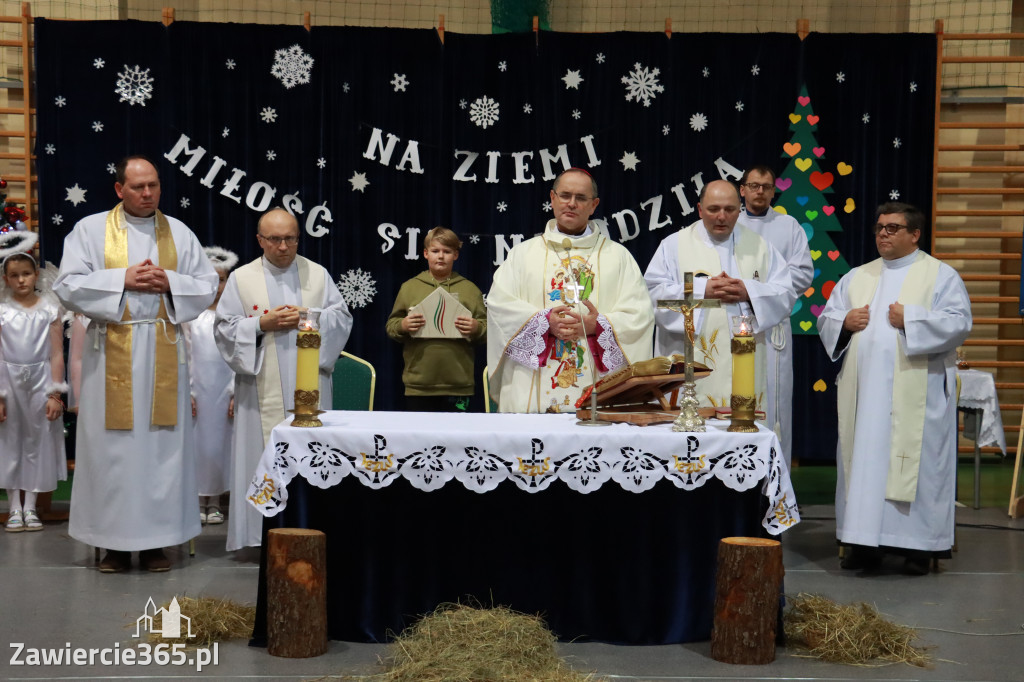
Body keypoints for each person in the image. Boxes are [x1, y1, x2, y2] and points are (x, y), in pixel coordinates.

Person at [53, 155, 218, 572]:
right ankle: (112, 543)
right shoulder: (90, 230)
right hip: (110, 351)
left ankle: (158, 542)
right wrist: (121, 279)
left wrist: (170, 282)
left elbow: (206, 285)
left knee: (163, 449)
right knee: (113, 450)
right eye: (139, 187)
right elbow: (67, 286)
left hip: (163, 349)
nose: (148, 194)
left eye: (154, 186)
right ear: (119, 189)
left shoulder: (178, 232)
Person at [818, 201, 971, 575]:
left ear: (915, 234)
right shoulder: (857, 277)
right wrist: (844, 322)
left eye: (893, 227)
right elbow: (828, 318)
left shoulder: (940, 275)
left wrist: (911, 318)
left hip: (918, 396)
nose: (883, 233)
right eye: (879, 227)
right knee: (864, 466)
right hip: (865, 397)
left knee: (916, 469)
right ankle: (860, 542)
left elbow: (959, 323)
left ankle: (917, 549)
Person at [214, 207, 352, 552]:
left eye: (290, 238)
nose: (283, 246)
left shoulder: (316, 275)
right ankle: (259, 537)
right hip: (260, 393)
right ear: (260, 240)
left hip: (311, 391)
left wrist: (308, 316)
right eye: (274, 239)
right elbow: (225, 328)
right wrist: (262, 325)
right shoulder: (242, 279)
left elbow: (341, 318)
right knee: (261, 456)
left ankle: (309, 531)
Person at [487, 168, 653, 413]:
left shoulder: (618, 257)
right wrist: (543, 322)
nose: (571, 204)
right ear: (552, 199)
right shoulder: (522, 254)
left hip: (600, 394)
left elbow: (640, 315)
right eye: (565, 196)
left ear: (594, 205)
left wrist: (599, 325)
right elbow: (499, 306)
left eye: (581, 198)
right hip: (532, 393)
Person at [645, 179, 795, 414]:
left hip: (743, 366)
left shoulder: (760, 247)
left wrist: (748, 291)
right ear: (700, 209)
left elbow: (785, 293)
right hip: (689, 369)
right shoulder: (674, 245)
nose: (721, 217)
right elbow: (653, 295)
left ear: (740, 210)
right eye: (713, 209)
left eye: (729, 209)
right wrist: (703, 289)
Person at [740, 165, 813, 468]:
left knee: (774, 405)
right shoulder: (727, 223)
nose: (760, 192)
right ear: (742, 189)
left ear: (773, 191)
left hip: (772, 329)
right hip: (731, 321)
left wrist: (757, 291)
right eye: (754, 186)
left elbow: (803, 274)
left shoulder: (788, 226)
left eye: (766, 187)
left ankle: (775, 484)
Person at [0, 249, 67, 533]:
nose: (21, 280)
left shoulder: (49, 310)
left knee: (37, 440)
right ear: (6, 279)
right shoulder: (2, 311)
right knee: (10, 440)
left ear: (36, 275)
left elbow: (56, 354)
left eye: (26, 274)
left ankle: (31, 506)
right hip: (8, 381)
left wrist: (55, 394)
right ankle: (13, 506)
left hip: (40, 380)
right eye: (14, 276)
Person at [386, 227, 486, 412]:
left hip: (459, 386)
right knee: (419, 439)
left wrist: (476, 328)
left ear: (455, 255)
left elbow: (488, 330)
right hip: (418, 386)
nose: (441, 256)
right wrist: (403, 325)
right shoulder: (409, 288)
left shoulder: (470, 290)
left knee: (457, 438)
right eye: (435, 251)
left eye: (447, 252)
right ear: (425, 253)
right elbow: (391, 326)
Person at [187, 246, 238, 526]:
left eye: (220, 279)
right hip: (197, 391)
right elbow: (184, 356)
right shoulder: (189, 317)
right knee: (197, 443)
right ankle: (196, 499)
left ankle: (216, 500)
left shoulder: (231, 317)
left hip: (223, 391)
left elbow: (237, 356)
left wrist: (234, 392)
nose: (215, 285)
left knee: (220, 443)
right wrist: (187, 392)